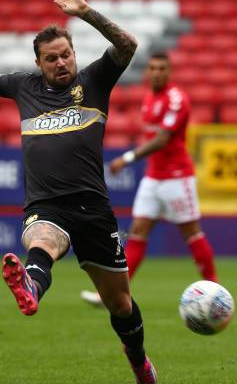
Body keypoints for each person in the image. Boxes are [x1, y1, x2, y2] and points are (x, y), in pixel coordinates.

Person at [0, 0, 157, 384]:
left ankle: (138, 361)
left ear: (74, 54)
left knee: (119, 303)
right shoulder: (24, 87)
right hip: (47, 204)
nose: (62, 62)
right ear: (39, 63)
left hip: (93, 209)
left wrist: (86, 13)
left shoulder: (95, 81)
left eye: (66, 54)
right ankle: (30, 284)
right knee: (42, 241)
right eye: (52, 58)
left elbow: (128, 46)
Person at [81, 52, 219, 307]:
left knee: (192, 234)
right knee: (137, 234)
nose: (156, 72)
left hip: (177, 178)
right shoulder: (148, 99)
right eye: (152, 68)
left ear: (169, 72)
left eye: (161, 68)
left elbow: (162, 139)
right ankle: (113, 294)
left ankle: (217, 292)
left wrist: (128, 157)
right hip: (153, 178)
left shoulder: (176, 99)